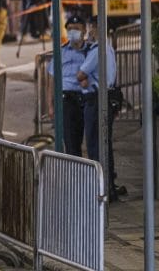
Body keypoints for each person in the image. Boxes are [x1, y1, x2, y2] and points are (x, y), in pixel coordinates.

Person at [77, 16, 121, 200]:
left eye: (91, 28)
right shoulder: (108, 48)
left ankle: (101, 188)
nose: (89, 31)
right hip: (107, 97)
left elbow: (80, 74)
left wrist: (84, 78)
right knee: (105, 143)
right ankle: (109, 185)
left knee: (95, 144)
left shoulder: (97, 50)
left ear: (97, 28)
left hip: (96, 101)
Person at [47, 16, 89, 157]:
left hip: (86, 99)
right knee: (71, 143)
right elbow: (52, 79)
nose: (73, 32)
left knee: (89, 140)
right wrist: (51, 105)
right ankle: (75, 173)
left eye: (76, 29)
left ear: (84, 31)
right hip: (67, 100)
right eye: (70, 29)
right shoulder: (60, 52)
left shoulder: (90, 51)